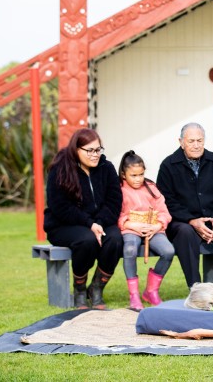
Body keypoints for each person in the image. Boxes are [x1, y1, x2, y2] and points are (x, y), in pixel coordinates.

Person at [157, 123, 213, 288]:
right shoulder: (168, 166)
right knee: (185, 233)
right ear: (181, 142)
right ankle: (196, 288)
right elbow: (166, 200)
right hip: (184, 223)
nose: (196, 145)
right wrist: (192, 220)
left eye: (200, 140)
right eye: (191, 141)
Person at [44, 128, 123, 309]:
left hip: (100, 222)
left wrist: (99, 223)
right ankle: (79, 289)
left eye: (98, 149)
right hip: (64, 224)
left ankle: (96, 288)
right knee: (86, 240)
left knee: (115, 239)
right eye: (90, 150)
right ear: (76, 149)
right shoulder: (60, 169)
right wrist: (89, 223)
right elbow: (60, 207)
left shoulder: (106, 168)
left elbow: (114, 202)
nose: (95, 155)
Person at [117, 150, 175, 310]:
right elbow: (116, 214)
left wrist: (157, 225)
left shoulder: (151, 188)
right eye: (133, 175)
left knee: (168, 251)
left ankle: (151, 290)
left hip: (153, 228)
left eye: (141, 174)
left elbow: (164, 212)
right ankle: (134, 295)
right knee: (129, 249)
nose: (138, 179)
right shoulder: (119, 189)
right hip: (131, 228)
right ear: (123, 174)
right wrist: (129, 225)